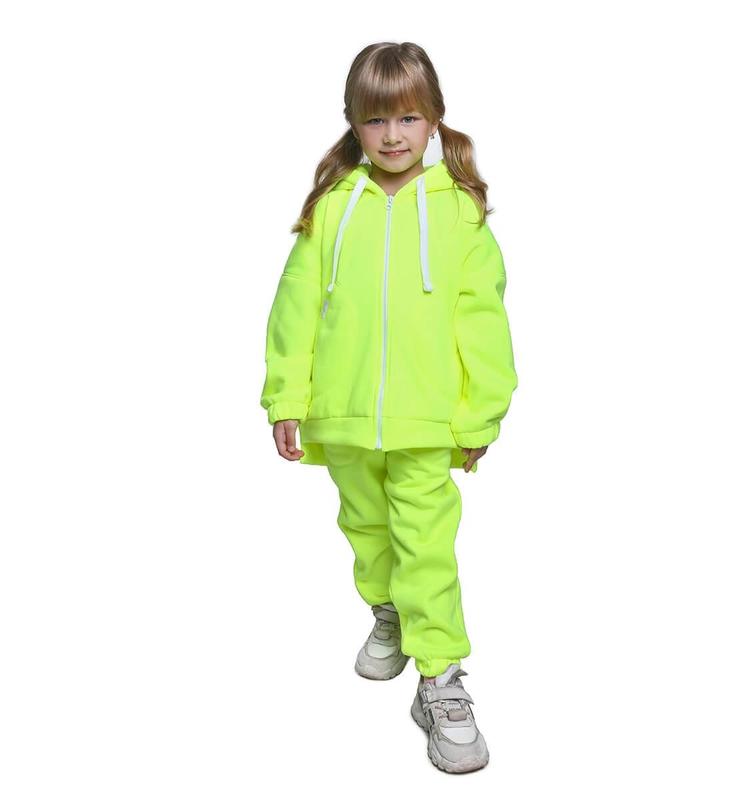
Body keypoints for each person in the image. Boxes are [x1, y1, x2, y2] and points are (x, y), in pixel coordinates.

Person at [259, 41, 518, 774]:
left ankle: (440, 677)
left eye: (408, 117)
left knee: (426, 546)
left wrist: (480, 413)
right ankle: (390, 611)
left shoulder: (461, 213)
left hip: (426, 421)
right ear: (353, 123)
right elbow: (294, 309)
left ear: (434, 119)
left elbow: (483, 320)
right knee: (367, 532)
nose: (394, 135)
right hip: (341, 417)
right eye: (376, 120)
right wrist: (287, 396)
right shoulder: (331, 208)